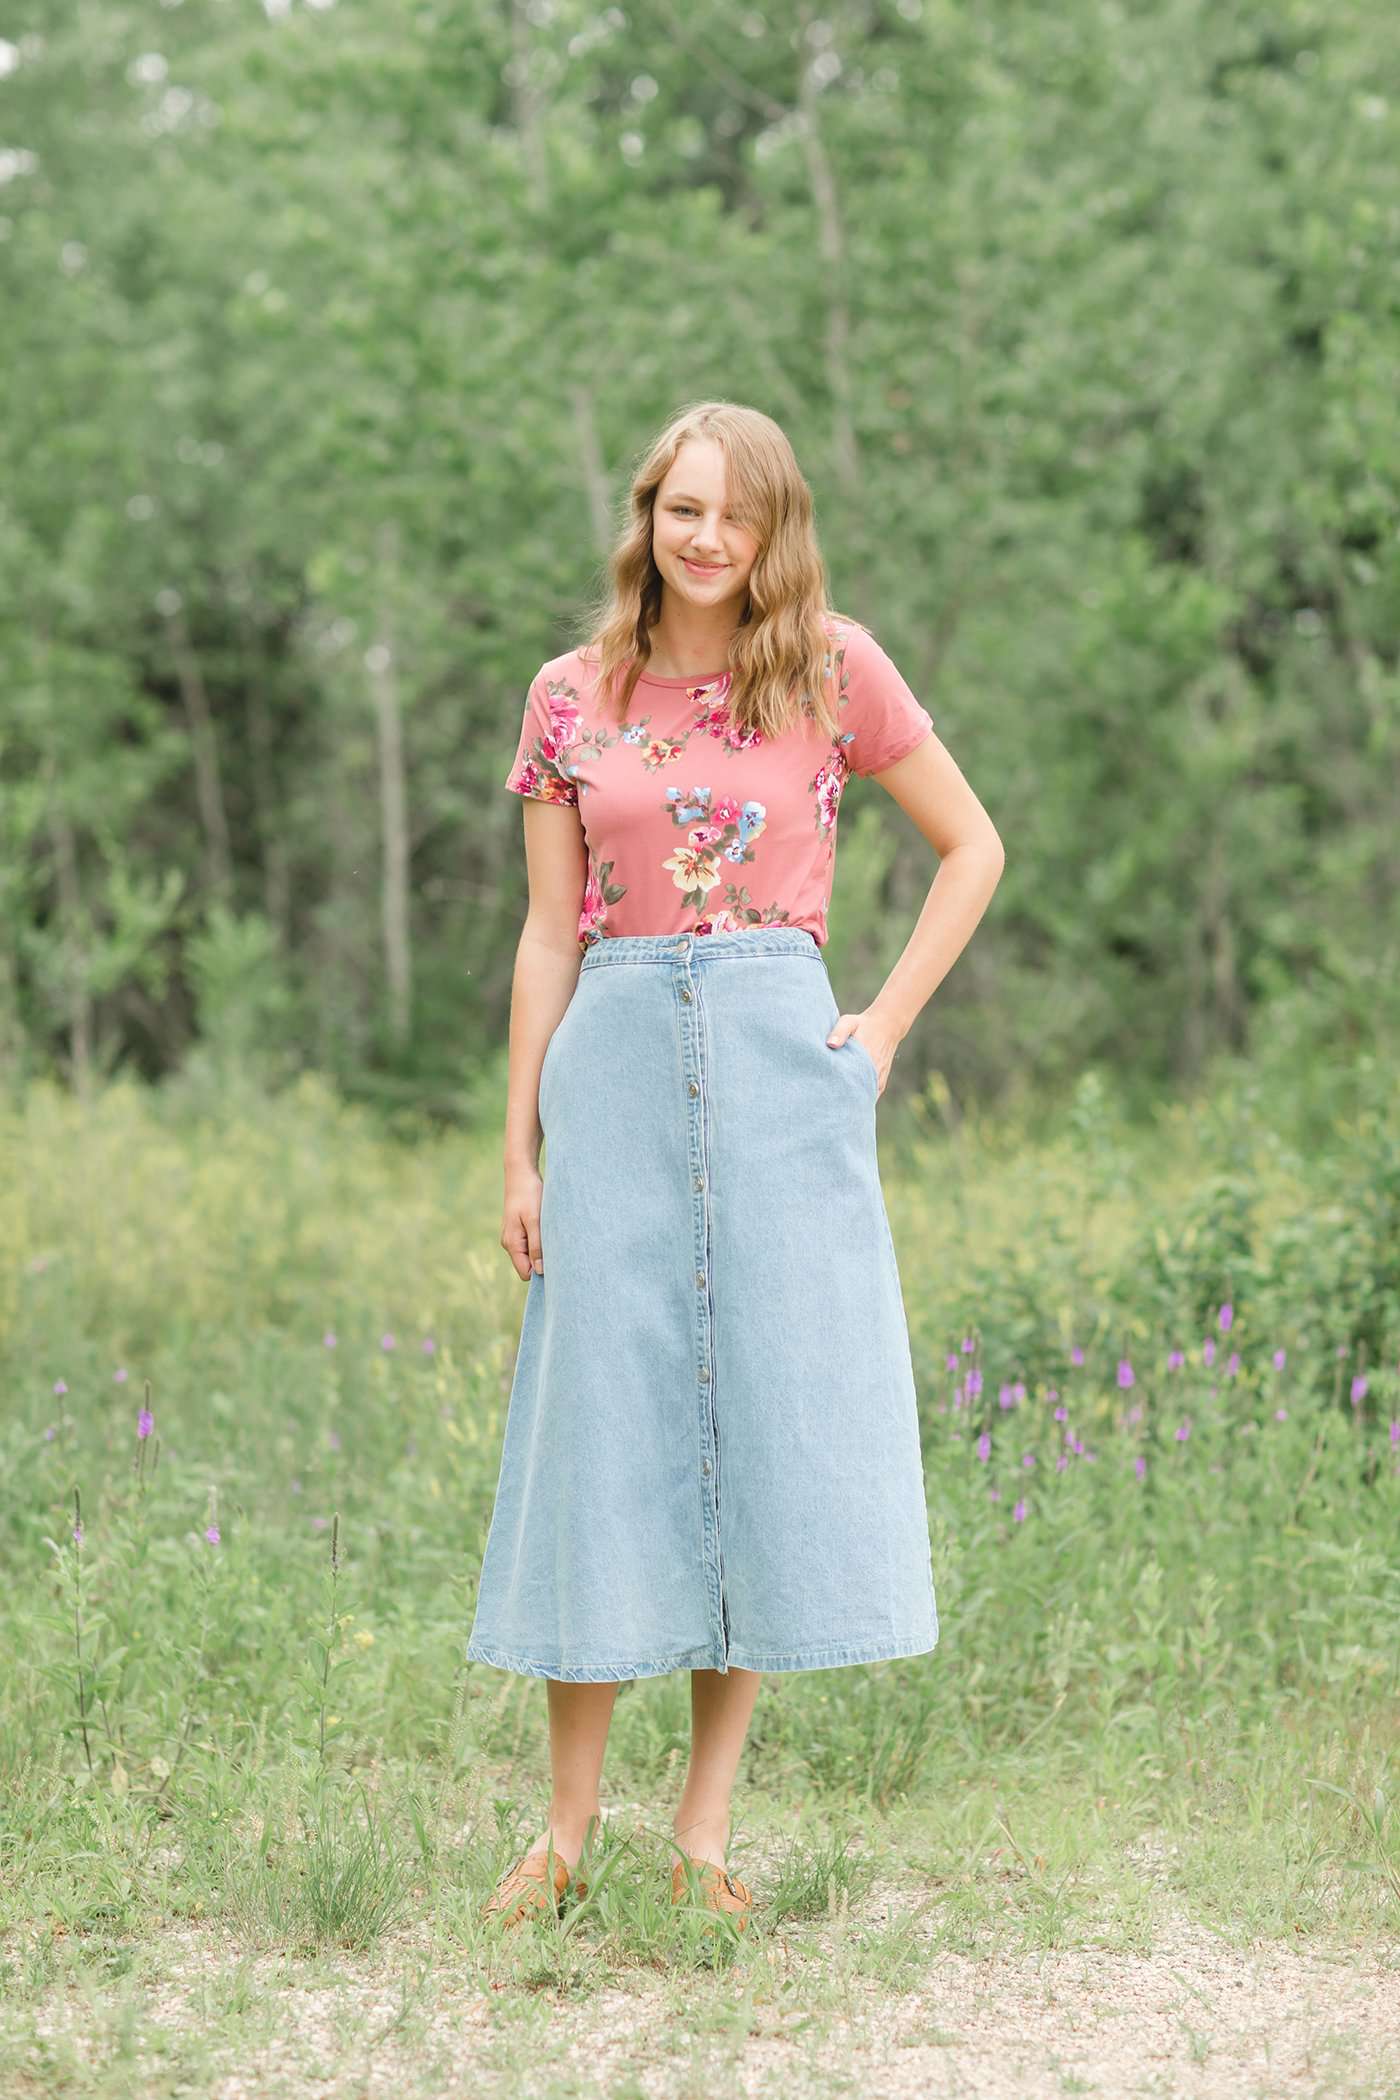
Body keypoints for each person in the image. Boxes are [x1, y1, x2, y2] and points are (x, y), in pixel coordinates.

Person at [469, 399, 1005, 1932]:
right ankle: (564, 1837)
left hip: (783, 1067)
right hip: (617, 1068)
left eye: (735, 515)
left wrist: (884, 1029)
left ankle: (702, 1835)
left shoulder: (836, 668)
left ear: (775, 530)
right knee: (607, 1435)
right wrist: (518, 1149)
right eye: (680, 509)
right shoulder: (571, 695)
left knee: (757, 1430)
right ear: (646, 516)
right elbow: (544, 932)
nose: (705, 539)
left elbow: (973, 845)